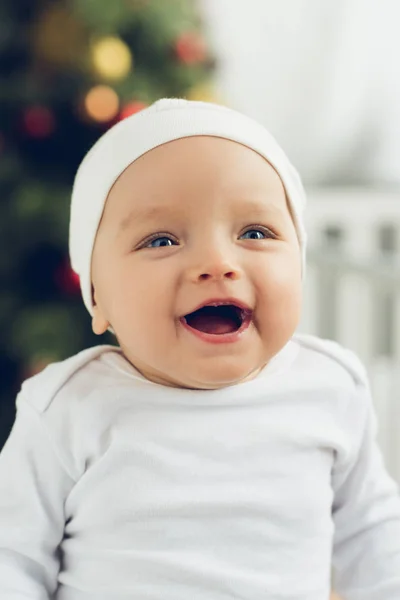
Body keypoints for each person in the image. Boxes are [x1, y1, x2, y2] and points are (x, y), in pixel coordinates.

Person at [0, 98, 399, 600]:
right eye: (161, 240)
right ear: (96, 296)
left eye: (255, 232)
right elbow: (11, 557)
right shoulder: (68, 410)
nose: (217, 262)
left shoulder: (331, 387)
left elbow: (374, 536)